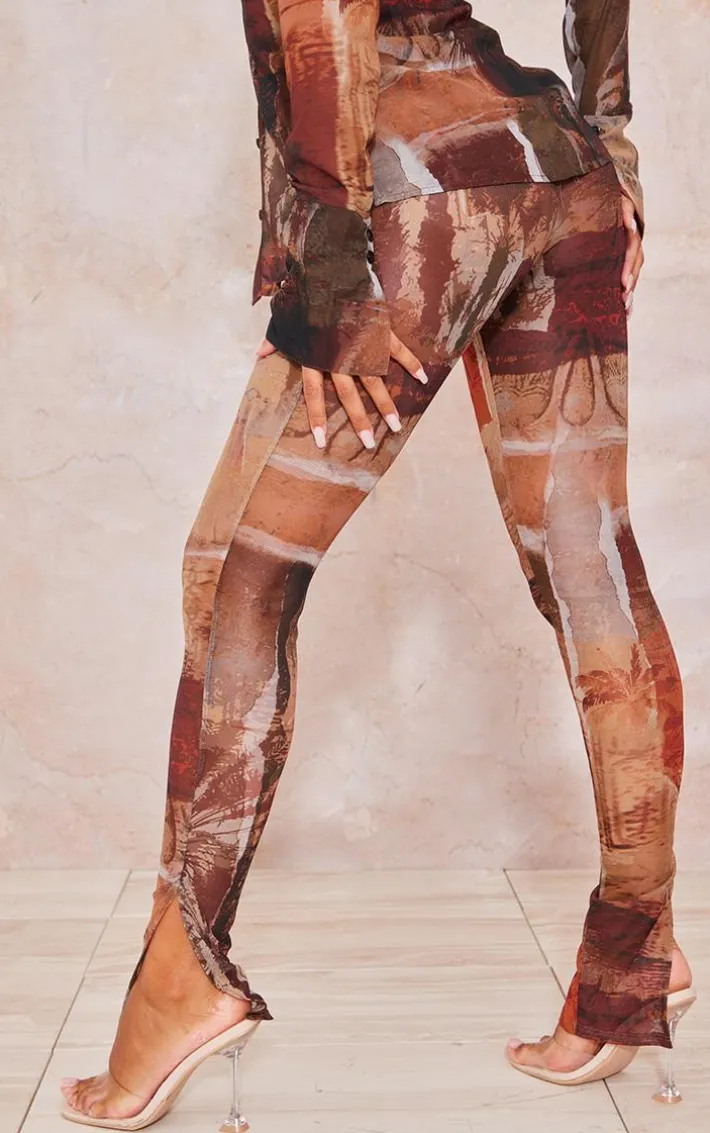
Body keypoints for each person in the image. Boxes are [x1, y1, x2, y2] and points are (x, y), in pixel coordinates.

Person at [60, 1, 695, 1128]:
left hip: (404, 191)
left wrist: (328, 264)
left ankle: (181, 976)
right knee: (588, 562)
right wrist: (612, 143)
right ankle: (630, 958)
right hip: (559, 172)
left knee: (239, 574)